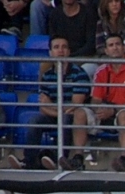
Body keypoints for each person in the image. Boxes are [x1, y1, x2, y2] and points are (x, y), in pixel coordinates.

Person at [17, 36, 91, 172]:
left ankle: (59, 159)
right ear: (50, 52)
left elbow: (75, 105)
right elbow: (43, 108)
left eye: (64, 47)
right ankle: (29, 161)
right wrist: (56, 111)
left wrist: (51, 105)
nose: (60, 51)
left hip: (73, 116)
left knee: (66, 119)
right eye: (56, 47)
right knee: (35, 120)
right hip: (58, 113)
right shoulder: (47, 76)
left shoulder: (79, 74)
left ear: (69, 51)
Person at [90, 34, 125, 173]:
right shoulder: (101, 70)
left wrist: (114, 110)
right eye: (111, 45)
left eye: (118, 44)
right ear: (106, 51)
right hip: (106, 111)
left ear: (123, 48)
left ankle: (123, 160)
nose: (115, 47)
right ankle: (77, 159)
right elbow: (95, 99)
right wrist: (99, 108)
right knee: (80, 113)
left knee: (123, 115)